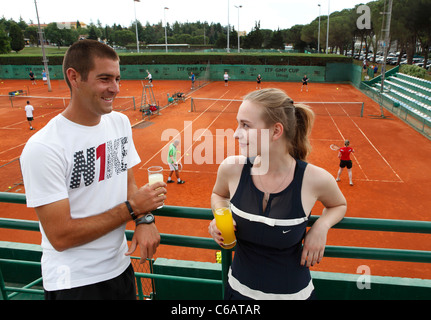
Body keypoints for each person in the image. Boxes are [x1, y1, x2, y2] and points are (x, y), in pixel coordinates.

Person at [20, 39, 166, 300]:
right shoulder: (43, 147)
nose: (115, 88)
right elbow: (60, 236)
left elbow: (128, 182)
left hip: (120, 269)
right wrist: (133, 209)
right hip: (74, 283)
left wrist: (144, 219)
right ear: (74, 77)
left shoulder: (119, 123)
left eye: (117, 79)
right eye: (105, 79)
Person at [208, 88, 347, 300]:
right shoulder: (231, 169)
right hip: (238, 293)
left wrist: (321, 226)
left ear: (275, 131)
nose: (236, 133)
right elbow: (218, 194)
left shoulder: (315, 179)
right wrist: (219, 215)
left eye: (245, 125)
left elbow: (338, 205)